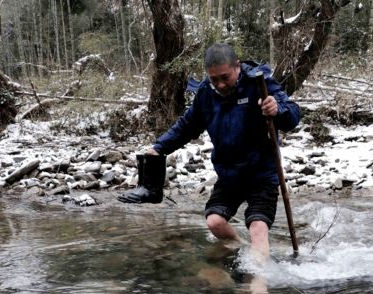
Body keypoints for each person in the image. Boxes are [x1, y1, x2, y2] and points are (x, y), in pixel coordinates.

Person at [118, 43, 300, 260]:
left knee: (258, 228)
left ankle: (258, 286)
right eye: (214, 79)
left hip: (262, 173)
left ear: (237, 67)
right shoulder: (206, 93)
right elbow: (187, 126)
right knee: (215, 222)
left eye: (225, 77)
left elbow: (292, 115)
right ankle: (245, 252)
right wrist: (158, 148)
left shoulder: (259, 84)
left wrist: (277, 110)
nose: (220, 85)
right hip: (229, 173)